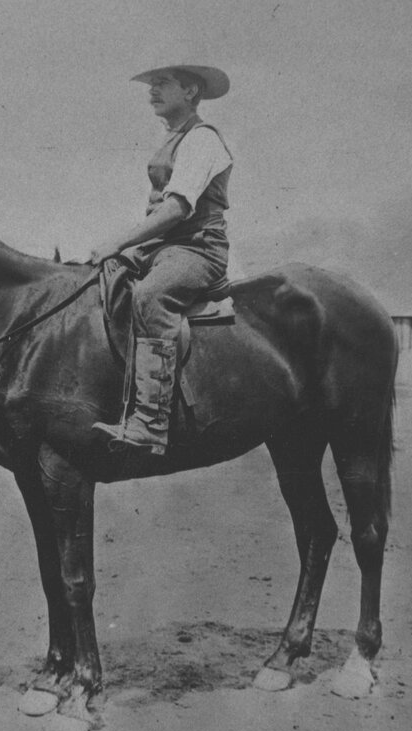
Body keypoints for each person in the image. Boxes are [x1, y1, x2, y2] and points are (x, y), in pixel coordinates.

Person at [90, 64, 233, 455]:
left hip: (198, 249)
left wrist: (118, 240)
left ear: (190, 91)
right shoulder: (173, 139)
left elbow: (176, 210)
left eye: (161, 84)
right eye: (151, 85)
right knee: (101, 278)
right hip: (165, 247)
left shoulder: (202, 140)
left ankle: (152, 422)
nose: (151, 91)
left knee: (152, 295)